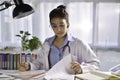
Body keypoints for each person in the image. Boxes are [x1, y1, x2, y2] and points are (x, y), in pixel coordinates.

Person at [19, 5, 100, 74]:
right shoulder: (47, 43)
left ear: (68, 24)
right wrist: (29, 66)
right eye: (54, 26)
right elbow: (39, 64)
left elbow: (95, 63)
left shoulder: (78, 44)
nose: (58, 29)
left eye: (61, 25)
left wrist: (82, 68)